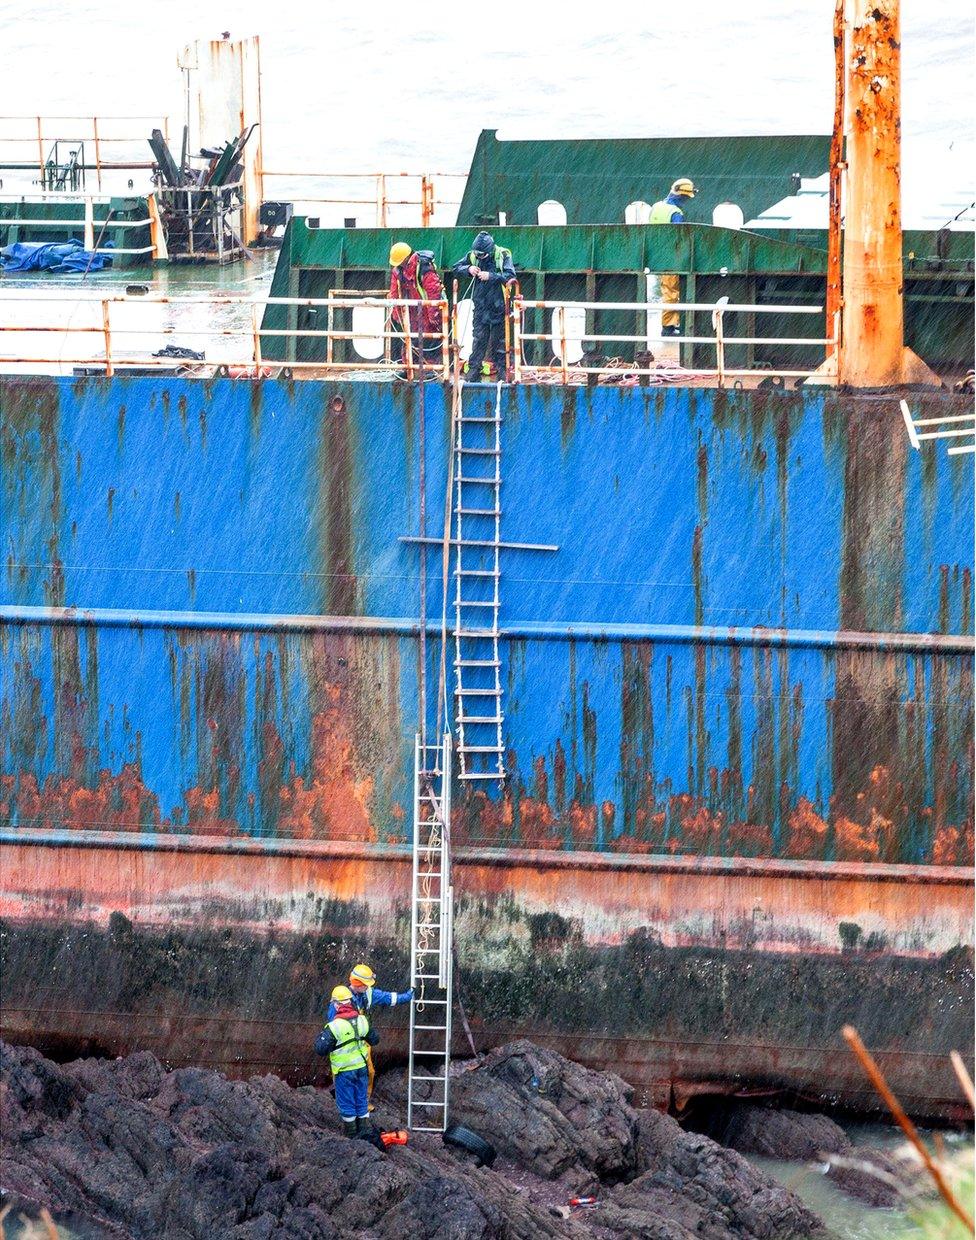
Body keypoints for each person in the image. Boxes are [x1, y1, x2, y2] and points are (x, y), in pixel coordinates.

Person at [327, 963, 413, 1106]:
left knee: (368, 1072)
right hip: (343, 1047)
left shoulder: (368, 994)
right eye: (366, 984)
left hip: (360, 1044)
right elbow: (332, 1025)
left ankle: (362, 1102)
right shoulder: (342, 999)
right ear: (358, 984)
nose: (368, 987)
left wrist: (407, 997)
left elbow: (388, 998)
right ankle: (346, 1103)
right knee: (344, 1076)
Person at [314, 985, 379, 1137]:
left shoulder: (334, 1026)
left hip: (344, 1071)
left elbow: (320, 1049)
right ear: (350, 1002)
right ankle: (364, 1132)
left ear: (336, 1004)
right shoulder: (363, 1020)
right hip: (361, 1068)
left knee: (346, 1103)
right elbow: (375, 1039)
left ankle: (351, 1136)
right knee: (361, 1099)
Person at [451, 230, 516, 377]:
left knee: (499, 342)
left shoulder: (503, 255)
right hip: (480, 305)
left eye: (482, 255)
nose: (479, 257)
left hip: (499, 305)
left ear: (489, 250)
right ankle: (474, 371)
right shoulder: (472, 256)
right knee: (479, 339)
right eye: (477, 254)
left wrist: (491, 276)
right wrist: (468, 269)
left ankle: (502, 372)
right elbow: (456, 267)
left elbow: (510, 275)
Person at [649, 178, 696, 337]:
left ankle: (672, 323)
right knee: (671, 292)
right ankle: (668, 327)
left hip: (658, 254)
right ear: (682, 195)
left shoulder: (656, 207)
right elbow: (679, 236)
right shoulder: (676, 213)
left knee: (667, 290)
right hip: (671, 256)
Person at [388, 241, 445, 365]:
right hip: (411, 309)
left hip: (426, 308)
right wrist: (396, 313)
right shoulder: (398, 271)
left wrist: (433, 313)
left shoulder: (424, 268)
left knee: (429, 338)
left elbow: (433, 291)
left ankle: (430, 368)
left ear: (407, 258)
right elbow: (394, 293)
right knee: (408, 338)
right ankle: (408, 367)